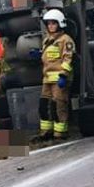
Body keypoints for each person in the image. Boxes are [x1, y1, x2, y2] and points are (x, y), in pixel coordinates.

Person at [36, 8, 75, 141]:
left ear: (60, 24)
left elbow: (68, 58)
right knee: (44, 105)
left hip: (60, 79)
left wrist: (63, 75)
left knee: (59, 105)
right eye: (49, 23)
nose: (51, 26)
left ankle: (60, 133)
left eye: (54, 23)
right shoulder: (47, 40)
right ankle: (46, 131)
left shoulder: (66, 40)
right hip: (47, 79)